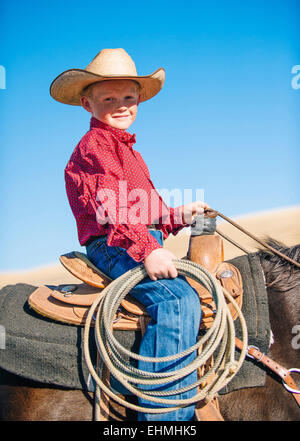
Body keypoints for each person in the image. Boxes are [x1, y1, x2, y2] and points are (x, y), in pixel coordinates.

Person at [50, 48, 209, 421]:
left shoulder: (128, 151)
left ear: (138, 100)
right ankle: (162, 419)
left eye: (128, 98)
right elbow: (114, 210)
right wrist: (148, 249)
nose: (121, 105)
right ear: (87, 103)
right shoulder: (94, 147)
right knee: (175, 301)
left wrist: (177, 215)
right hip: (113, 245)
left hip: (135, 236)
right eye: (109, 99)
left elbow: (144, 210)